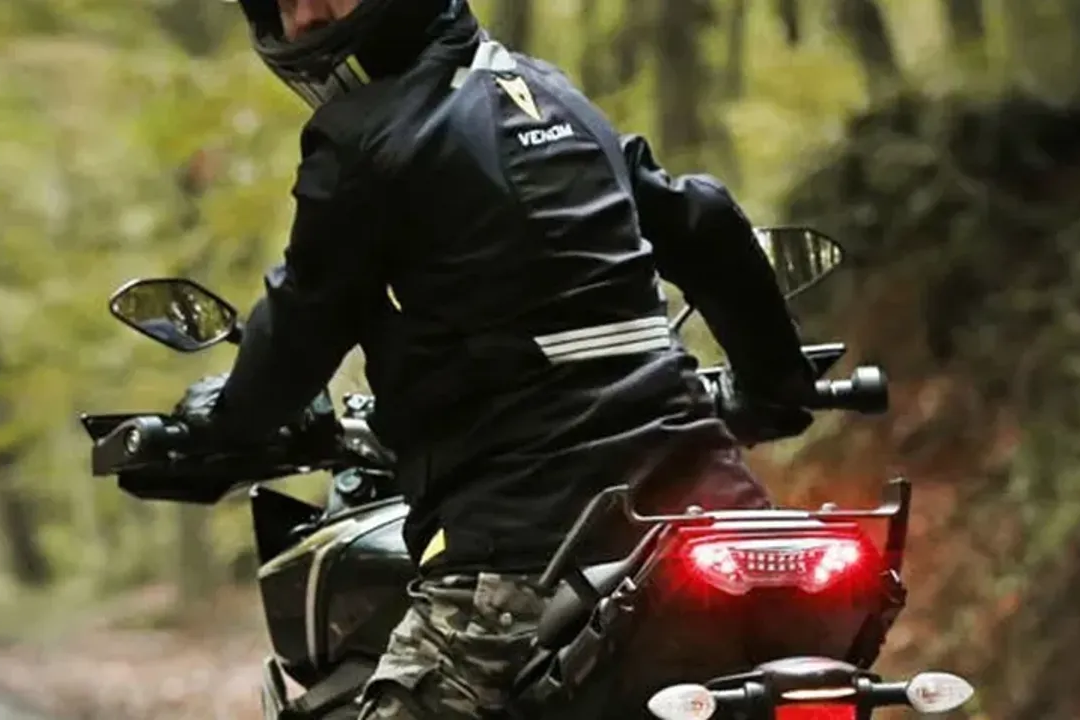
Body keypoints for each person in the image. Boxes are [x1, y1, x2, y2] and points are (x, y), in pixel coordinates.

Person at [172, 0, 816, 717]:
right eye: (285, 1)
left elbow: (302, 320)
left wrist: (218, 427)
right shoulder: (552, 94)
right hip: (713, 517)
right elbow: (702, 217)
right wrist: (776, 386)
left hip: (524, 550)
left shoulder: (362, 140)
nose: (305, 18)